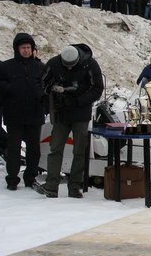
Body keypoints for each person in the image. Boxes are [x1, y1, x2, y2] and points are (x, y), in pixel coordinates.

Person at [35, 44, 104, 198]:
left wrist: (78, 101)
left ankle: (74, 186)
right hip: (61, 113)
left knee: (79, 151)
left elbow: (97, 88)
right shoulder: (54, 64)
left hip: (81, 113)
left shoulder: (90, 64)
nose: (69, 69)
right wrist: (52, 91)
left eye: (72, 66)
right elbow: (41, 82)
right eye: (66, 66)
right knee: (55, 148)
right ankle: (51, 186)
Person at [0, 33, 45, 191]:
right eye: (23, 48)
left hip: (35, 114)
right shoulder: (6, 66)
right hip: (14, 114)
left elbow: (46, 86)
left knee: (34, 149)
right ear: (17, 49)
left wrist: (41, 97)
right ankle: (12, 178)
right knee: (14, 149)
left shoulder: (40, 67)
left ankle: (30, 177)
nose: (26, 50)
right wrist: (10, 88)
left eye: (29, 47)